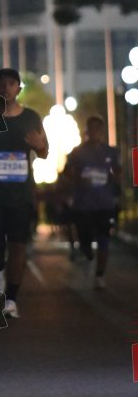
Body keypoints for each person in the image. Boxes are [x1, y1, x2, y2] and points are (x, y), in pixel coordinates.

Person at [0, 68, 48, 318]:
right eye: (1, 83)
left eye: (11, 83)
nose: (6, 87)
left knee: (18, 244)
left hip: (21, 194)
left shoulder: (31, 117)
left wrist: (39, 146)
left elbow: (44, 151)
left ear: (19, 88)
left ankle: (11, 299)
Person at [63, 115, 121, 288]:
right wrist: (79, 179)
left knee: (104, 239)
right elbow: (67, 171)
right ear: (87, 131)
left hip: (104, 204)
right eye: (92, 128)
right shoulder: (77, 152)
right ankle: (87, 254)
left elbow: (118, 172)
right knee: (85, 241)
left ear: (102, 131)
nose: (95, 131)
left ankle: (100, 274)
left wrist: (114, 181)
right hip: (83, 205)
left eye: (98, 128)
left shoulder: (111, 152)